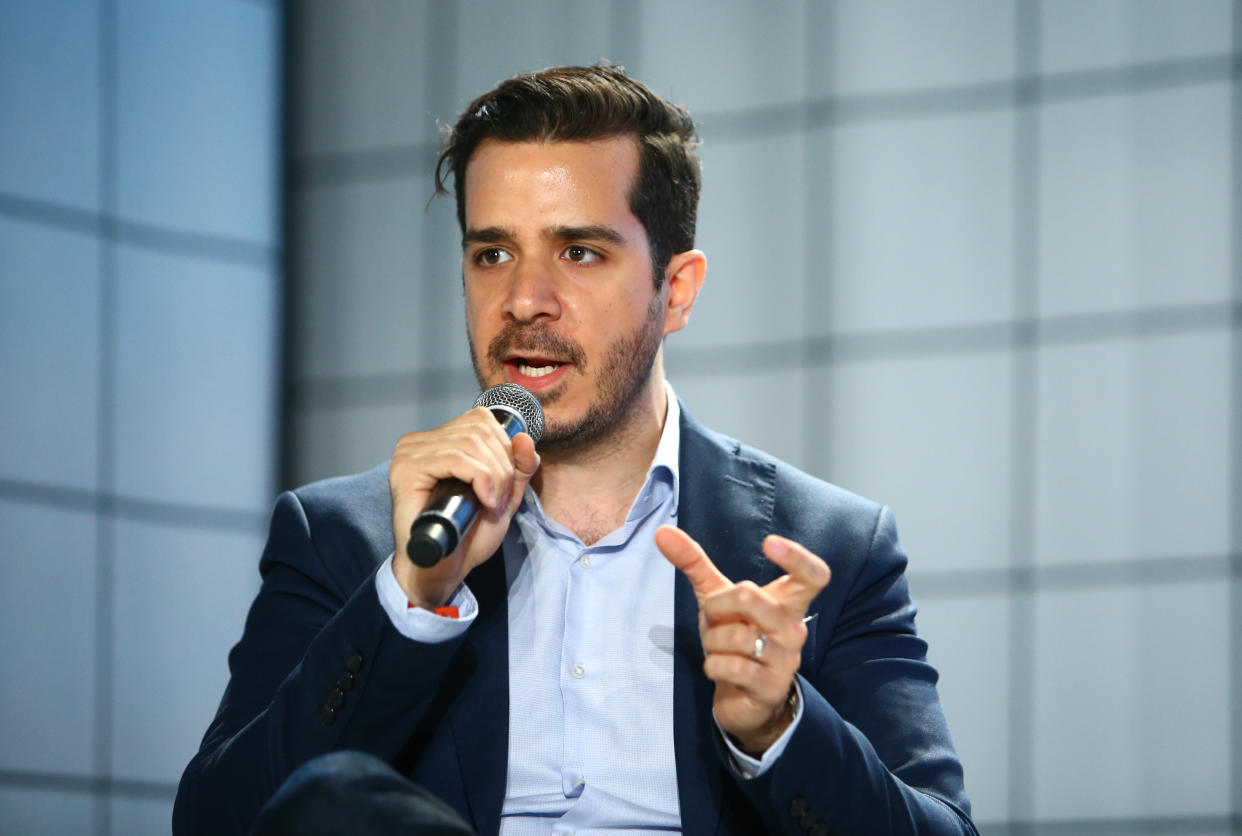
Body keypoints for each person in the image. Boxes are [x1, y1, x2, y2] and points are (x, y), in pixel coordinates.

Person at [174, 64, 976, 836]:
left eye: (579, 252)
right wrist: (411, 601)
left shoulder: (829, 546)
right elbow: (222, 822)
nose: (525, 300)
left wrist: (779, 727)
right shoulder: (347, 537)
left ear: (678, 291)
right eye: (493, 253)